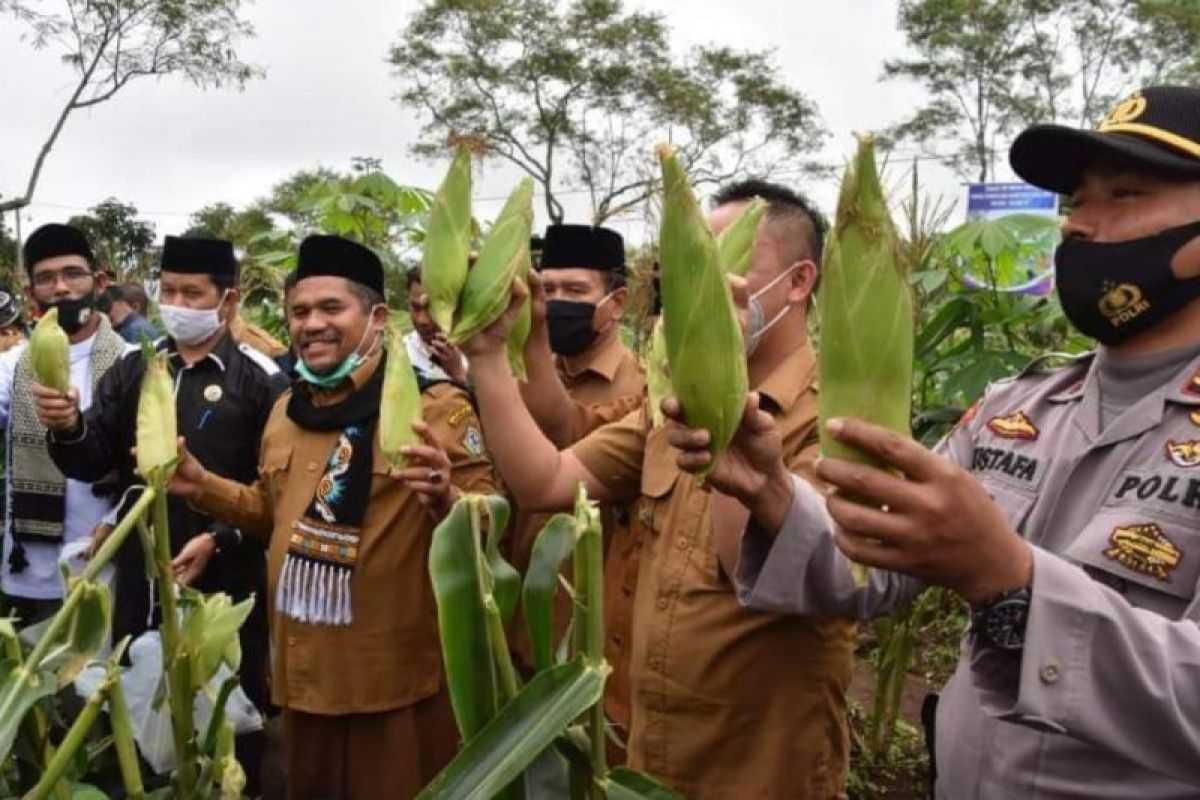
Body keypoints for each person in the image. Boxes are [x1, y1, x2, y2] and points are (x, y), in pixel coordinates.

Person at [669, 85, 1200, 797]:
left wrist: (1010, 580)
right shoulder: (1018, 408)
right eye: (1076, 201)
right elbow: (871, 571)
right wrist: (769, 490)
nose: (1079, 226)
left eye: (1125, 195)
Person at [462, 182, 857, 798]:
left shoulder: (834, 421)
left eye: (723, 264)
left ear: (799, 282)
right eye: (691, 267)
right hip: (649, 763)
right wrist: (488, 354)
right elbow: (545, 480)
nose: (699, 286)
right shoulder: (663, 410)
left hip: (759, 773)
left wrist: (721, 384)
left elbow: (752, 570)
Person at [167, 234, 497, 800]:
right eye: (299, 311)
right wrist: (203, 485)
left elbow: (493, 524)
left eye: (330, 308)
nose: (310, 324)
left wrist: (447, 499)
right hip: (301, 682)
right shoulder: (285, 411)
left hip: (393, 688)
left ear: (375, 317)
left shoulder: (434, 408)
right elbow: (276, 515)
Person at [34, 235, 287, 792]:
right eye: (168, 290)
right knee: (138, 726)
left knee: (226, 726)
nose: (176, 302)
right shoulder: (134, 371)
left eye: (191, 292)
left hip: (223, 586)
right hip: (139, 583)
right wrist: (67, 425)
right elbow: (92, 457)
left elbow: (275, 498)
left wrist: (220, 539)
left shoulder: (262, 380)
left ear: (229, 300)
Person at [507, 224, 646, 755]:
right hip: (523, 628)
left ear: (617, 301)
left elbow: (566, 431)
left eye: (575, 292)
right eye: (549, 290)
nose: (556, 304)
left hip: (596, 645)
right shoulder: (522, 375)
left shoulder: (642, 390)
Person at [0, 223, 125, 625]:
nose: (61, 288)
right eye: (46, 278)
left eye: (73, 273)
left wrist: (116, 520)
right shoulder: (12, 367)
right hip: (29, 567)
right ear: (30, 292)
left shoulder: (130, 361)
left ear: (99, 281)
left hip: (104, 557)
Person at [405, 265, 468, 385]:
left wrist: (459, 374)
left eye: (432, 309)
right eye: (415, 307)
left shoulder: (482, 353)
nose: (422, 320)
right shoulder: (401, 357)